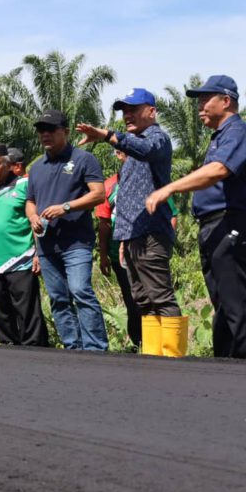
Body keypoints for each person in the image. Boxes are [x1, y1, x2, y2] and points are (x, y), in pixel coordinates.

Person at [146, 75, 246, 358]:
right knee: (223, 299)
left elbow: (219, 171)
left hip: (229, 224)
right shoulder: (221, 137)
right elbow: (238, 186)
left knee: (238, 297)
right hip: (220, 224)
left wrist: (170, 188)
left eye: (205, 99)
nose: (199, 106)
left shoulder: (237, 131)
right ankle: (227, 364)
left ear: (226, 101)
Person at [77, 88, 186, 357]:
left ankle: (175, 359)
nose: (127, 116)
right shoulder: (130, 155)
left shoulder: (156, 138)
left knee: (160, 296)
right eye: (124, 111)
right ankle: (153, 355)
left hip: (152, 233)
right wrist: (124, 237)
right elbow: (126, 200)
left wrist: (107, 135)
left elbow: (145, 149)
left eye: (133, 110)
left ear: (151, 111)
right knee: (142, 299)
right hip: (133, 236)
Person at [26, 110, 108, 351]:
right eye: (42, 130)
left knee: (80, 290)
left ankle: (95, 349)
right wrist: (32, 216)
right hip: (46, 245)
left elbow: (99, 193)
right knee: (59, 298)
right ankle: (73, 347)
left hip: (76, 243)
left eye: (51, 129)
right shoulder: (36, 168)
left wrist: (66, 207)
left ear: (66, 132)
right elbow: (30, 201)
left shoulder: (83, 159)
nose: (45, 134)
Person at [95, 150, 180, 350]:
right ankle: (144, 346)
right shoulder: (109, 186)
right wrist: (104, 254)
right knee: (135, 300)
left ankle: (172, 352)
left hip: (150, 249)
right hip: (120, 254)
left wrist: (167, 242)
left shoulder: (152, 180)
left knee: (160, 297)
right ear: (118, 154)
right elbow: (104, 223)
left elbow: (172, 214)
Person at [0, 143, 49, 346]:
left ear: (8, 165)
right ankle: (8, 351)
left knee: (27, 313)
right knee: (1, 314)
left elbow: (35, 221)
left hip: (21, 260)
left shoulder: (25, 185)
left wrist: (38, 253)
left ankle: (36, 350)